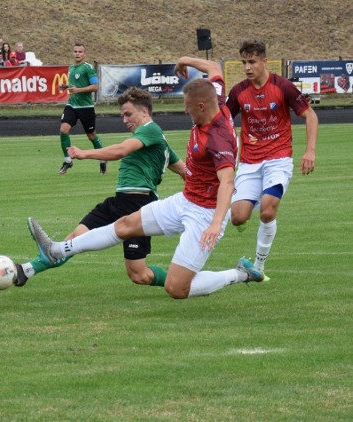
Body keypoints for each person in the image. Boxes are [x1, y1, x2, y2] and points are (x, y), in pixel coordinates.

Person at [27, 58, 267, 300]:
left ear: (202, 106)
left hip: (205, 214)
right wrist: (186, 61)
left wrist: (215, 224)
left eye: (188, 106)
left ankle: (240, 273)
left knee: (177, 289)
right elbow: (215, 69)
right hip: (185, 200)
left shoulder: (218, 138)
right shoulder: (218, 100)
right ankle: (55, 250)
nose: (185, 110)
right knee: (124, 225)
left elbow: (227, 182)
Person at [14, 87, 184, 288]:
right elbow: (185, 171)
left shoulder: (151, 130)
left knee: (139, 275)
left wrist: (84, 154)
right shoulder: (157, 141)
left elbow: (122, 150)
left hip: (139, 206)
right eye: (122, 115)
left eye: (128, 114)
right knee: (76, 237)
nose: (124, 120)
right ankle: (26, 270)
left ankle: (187, 282)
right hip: (119, 201)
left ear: (144, 112)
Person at [225, 40, 319, 274]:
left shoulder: (283, 86)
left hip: (278, 158)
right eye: (244, 62)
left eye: (252, 62)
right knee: (238, 218)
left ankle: (258, 266)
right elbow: (223, 121)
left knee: (267, 210)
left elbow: (310, 116)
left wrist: (310, 150)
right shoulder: (238, 91)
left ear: (264, 61)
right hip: (249, 161)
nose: (247, 67)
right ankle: (246, 204)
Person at [57, 43, 106, 176]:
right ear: (72, 53)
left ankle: (102, 159)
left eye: (80, 52)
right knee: (63, 129)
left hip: (86, 107)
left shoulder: (88, 68)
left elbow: (95, 86)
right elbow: (74, 86)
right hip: (72, 105)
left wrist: (78, 90)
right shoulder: (71, 68)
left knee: (91, 136)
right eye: (75, 51)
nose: (77, 54)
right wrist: (65, 87)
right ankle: (67, 160)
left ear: (84, 54)